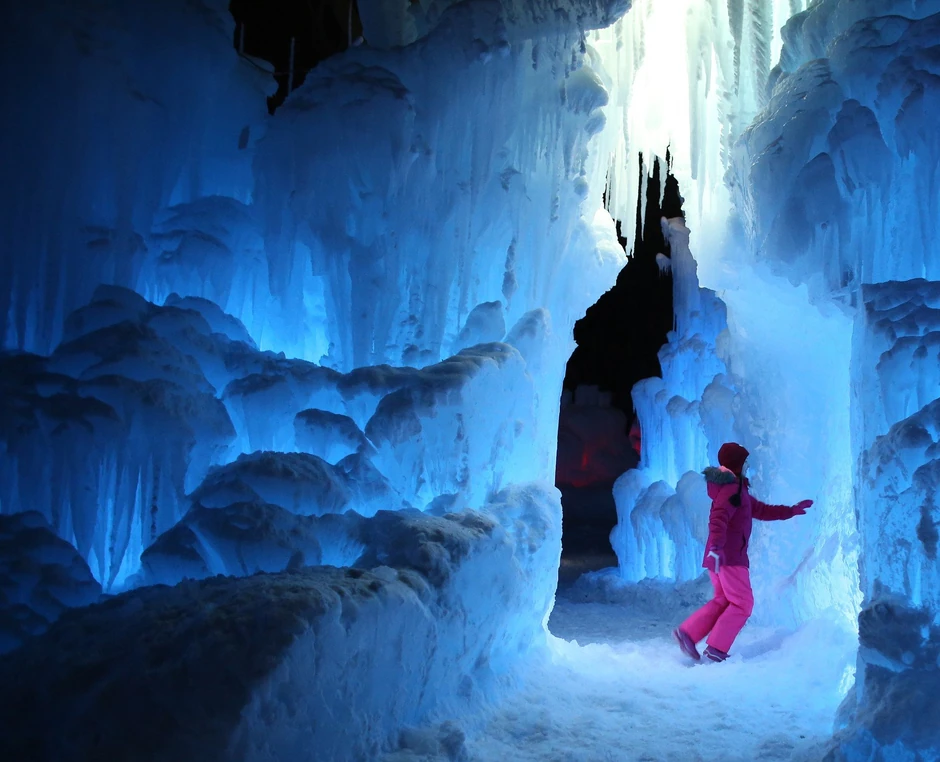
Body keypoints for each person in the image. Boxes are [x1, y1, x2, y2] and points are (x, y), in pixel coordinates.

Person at [672, 442, 813, 663]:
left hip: (719, 556)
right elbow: (718, 518)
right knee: (742, 603)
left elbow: (761, 510)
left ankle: (688, 633)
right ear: (736, 464)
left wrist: (791, 511)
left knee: (724, 600)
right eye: (745, 461)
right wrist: (718, 547)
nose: (748, 465)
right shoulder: (731, 490)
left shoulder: (736, 489)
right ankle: (716, 648)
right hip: (728, 557)